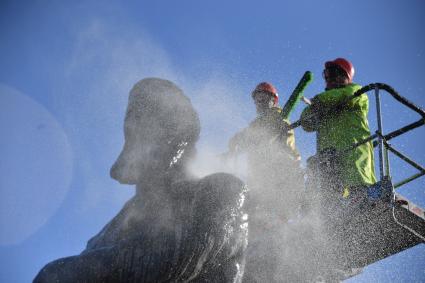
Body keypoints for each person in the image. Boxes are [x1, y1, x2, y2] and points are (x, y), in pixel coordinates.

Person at [34, 78, 248, 283]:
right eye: (133, 116)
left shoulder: (220, 191)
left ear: (181, 136)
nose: (139, 125)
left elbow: (174, 261)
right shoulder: (112, 229)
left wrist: (66, 270)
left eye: (161, 121)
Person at [300, 58, 377, 278]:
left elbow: (340, 96)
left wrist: (318, 102)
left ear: (346, 76)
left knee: (358, 199)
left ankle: (350, 257)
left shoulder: (356, 93)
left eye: (334, 74)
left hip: (354, 155)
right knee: (326, 207)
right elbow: (306, 122)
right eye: (327, 75)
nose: (330, 79)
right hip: (330, 160)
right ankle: (327, 256)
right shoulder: (325, 103)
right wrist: (316, 108)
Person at [228, 82, 305, 282]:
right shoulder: (256, 124)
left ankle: (280, 242)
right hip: (263, 178)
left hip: (282, 174)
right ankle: (259, 245)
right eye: (257, 98)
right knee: (258, 214)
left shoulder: (277, 116)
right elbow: (247, 137)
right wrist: (235, 142)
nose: (259, 101)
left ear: (273, 99)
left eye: (263, 97)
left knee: (277, 212)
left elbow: (268, 131)